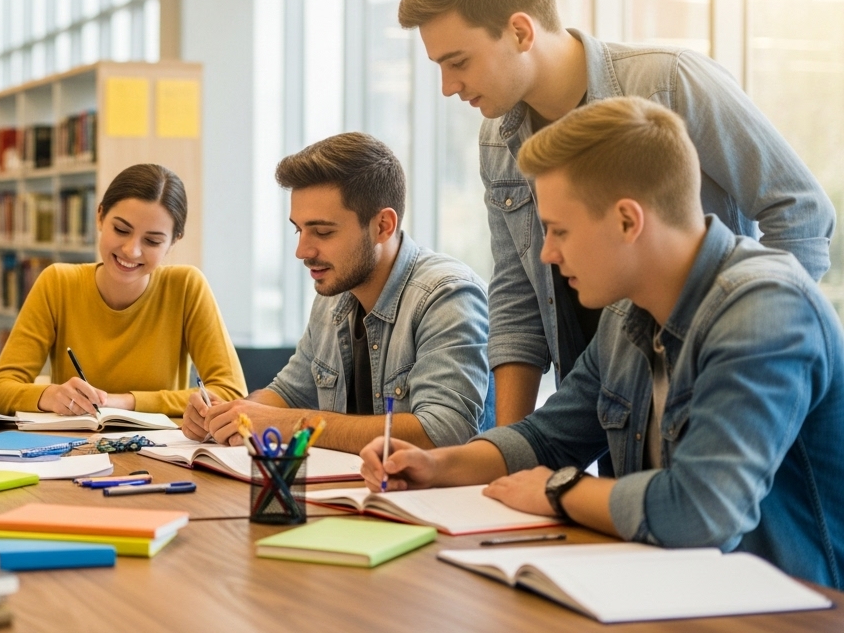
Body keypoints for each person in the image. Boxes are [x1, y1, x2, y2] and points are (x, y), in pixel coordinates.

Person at [359, 97, 844, 589]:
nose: (547, 254)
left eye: (559, 231)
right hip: (669, 592)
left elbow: (701, 512)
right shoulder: (626, 314)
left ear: (628, 221)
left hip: (785, 609)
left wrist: (561, 490)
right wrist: (436, 465)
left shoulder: (765, 310)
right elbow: (548, 438)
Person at [397, 0, 835, 426]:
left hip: (716, 399)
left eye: (458, 62)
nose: (448, 87)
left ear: (520, 32)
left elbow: (801, 213)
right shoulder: (497, 140)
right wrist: (506, 450)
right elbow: (518, 301)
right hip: (605, 413)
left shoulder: (670, 84)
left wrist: (748, 353)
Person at [184, 133, 491, 454]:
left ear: (383, 226)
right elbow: (287, 394)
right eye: (299, 229)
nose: (302, 251)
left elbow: (443, 432)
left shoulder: (447, 295)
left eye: (322, 232)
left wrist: (291, 424)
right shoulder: (332, 296)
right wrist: (229, 414)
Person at [0, 164, 246, 417]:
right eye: (121, 230)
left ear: (173, 241)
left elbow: (231, 393)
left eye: (152, 241)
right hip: (73, 444)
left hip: (160, 445)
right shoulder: (58, 283)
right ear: (100, 216)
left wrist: (125, 402)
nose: (132, 250)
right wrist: (50, 396)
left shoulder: (186, 286)